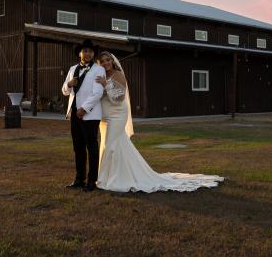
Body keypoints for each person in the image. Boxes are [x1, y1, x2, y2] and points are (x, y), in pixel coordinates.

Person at [94, 51, 224, 192]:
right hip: (104, 118)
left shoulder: (118, 75)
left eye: (108, 60)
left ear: (113, 61)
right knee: (112, 144)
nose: (106, 63)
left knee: (110, 144)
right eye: (103, 61)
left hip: (117, 114)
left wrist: (106, 85)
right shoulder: (101, 76)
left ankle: (107, 179)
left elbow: (119, 98)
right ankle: (112, 175)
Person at [62, 39, 107, 192]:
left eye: (90, 51)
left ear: (93, 54)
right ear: (80, 53)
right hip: (74, 114)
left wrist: (84, 109)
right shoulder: (72, 69)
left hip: (90, 114)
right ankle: (79, 179)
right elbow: (64, 91)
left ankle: (92, 181)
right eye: (85, 51)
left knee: (92, 148)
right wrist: (69, 84)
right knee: (78, 147)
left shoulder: (98, 70)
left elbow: (98, 93)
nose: (87, 54)